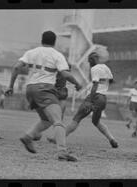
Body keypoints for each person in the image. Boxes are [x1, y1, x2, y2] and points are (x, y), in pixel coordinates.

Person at [5, 31, 82, 161]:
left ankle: (28, 136)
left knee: (46, 120)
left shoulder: (31, 52)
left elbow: (16, 67)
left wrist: (10, 86)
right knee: (58, 121)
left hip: (30, 89)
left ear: (42, 40)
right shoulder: (57, 55)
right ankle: (62, 152)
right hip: (45, 89)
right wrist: (77, 84)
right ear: (54, 42)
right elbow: (65, 74)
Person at [47, 50, 119, 148]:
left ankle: (58, 139)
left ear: (91, 61)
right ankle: (112, 139)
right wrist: (103, 84)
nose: (89, 64)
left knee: (76, 119)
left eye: (89, 62)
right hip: (103, 98)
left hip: (94, 97)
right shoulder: (106, 67)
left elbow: (95, 85)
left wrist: (90, 100)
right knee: (96, 121)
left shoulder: (94, 69)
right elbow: (111, 81)